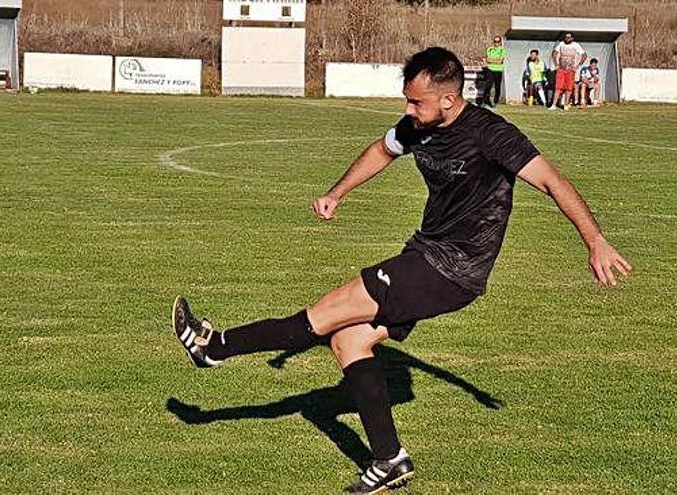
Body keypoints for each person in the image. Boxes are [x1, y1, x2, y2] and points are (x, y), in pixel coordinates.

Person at [171, 47, 631, 493]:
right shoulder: (418, 126)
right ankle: (390, 460)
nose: (408, 109)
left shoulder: (492, 134)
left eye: (416, 101)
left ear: (448, 99)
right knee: (349, 340)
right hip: (427, 254)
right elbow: (381, 150)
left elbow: (552, 181)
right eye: (407, 99)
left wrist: (595, 242)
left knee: (327, 311)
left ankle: (214, 347)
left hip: (453, 267)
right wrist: (339, 192)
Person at [549, 32, 586, 110]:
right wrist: (556, 64)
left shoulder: (576, 45)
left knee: (569, 88)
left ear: (572, 38)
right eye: (566, 37)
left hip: (570, 70)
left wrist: (578, 65)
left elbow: (584, 55)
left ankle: (566, 104)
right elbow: (554, 53)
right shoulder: (561, 44)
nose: (567, 39)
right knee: (558, 87)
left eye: (569, 37)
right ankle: (554, 105)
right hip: (561, 69)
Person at [481, 35, 506, 108]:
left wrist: (493, 60)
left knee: (497, 87)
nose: (496, 43)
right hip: (490, 69)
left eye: (498, 41)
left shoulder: (502, 50)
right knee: (488, 86)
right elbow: (488, 60)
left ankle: (495, 102)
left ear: (500, 42)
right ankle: (485, 101)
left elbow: (500, 61)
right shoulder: (490, 49)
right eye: (495, 41)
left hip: (498, 70)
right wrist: (495, 60)